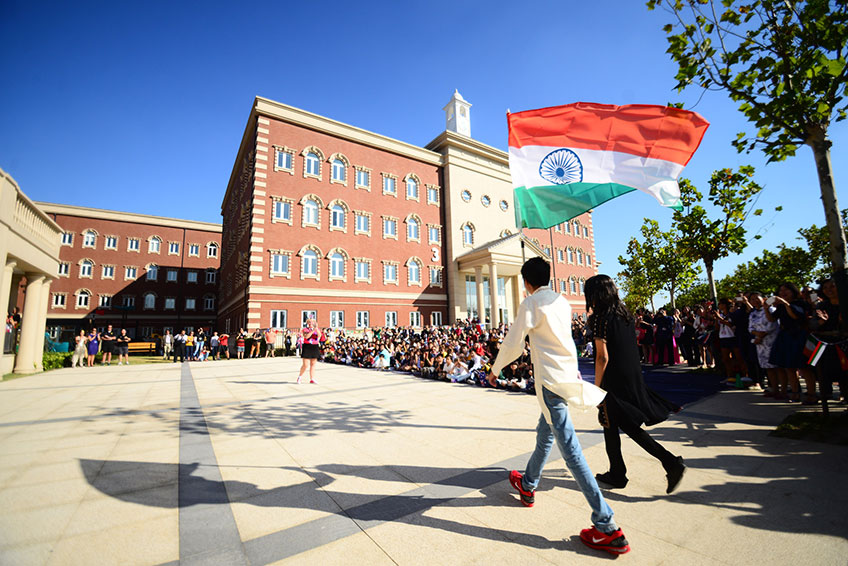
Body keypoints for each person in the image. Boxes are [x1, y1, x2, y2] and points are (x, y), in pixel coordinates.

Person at [486, 258, 629, 556]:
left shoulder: (531, 303)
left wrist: (496, 368)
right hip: (564, 378)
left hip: (550, 384)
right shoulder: (562, 302)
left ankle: (607, 526)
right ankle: (528, 483)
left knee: (571, 452)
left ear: (527, 282)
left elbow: (514, 343)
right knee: (545, 434)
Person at [584, 275, 686, 495]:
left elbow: (602, 357)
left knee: (622, 425)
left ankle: (667, 462)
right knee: (612, 424)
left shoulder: (601, 318)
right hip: (631, 377)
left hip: (614, 381)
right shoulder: (625, 315)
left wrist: (596, 389)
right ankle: (619, 472)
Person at [296, 318, 322, 384]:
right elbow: (306, 336)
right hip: (307, 346)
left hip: (315, 346)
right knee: (305, 365)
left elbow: (319, 336)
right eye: (309, 322)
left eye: (312, 322)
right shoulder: (305, 329)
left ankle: (312, 378)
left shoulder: (317, 329)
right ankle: (300, 376)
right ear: (307, 323)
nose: (311, 324)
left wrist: (316, 329)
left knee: (313, 364)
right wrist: (313, 331)